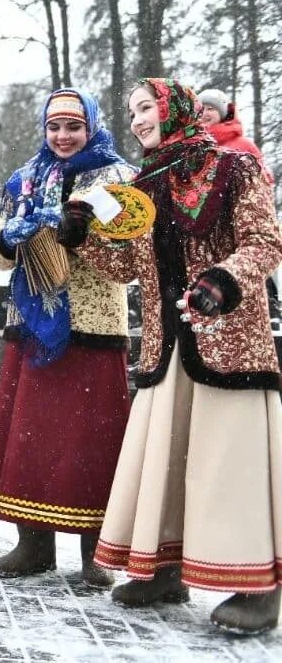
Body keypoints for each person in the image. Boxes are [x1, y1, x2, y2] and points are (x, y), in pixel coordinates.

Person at [74, 78, 282, 635]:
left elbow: (265, 242)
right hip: (167, 345)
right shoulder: (144, 185)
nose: (138, 119)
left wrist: (221, 282)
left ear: (176, 110)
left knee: (228, 462)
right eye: (133, 111)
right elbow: (128, 271)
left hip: (229, 339)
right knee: (166, 464)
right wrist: (84, 237)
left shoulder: (235, 168)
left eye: (146, 108)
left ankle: (259, 587)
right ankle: (164, 571)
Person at [0, 88, 135, 587]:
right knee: (33, 436)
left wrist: (81, 235)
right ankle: (33, 541)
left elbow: (130, 262)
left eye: (74, 127)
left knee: (91, 440)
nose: (63, 137)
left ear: (92, 126)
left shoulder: (117, 179)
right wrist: (9, 238)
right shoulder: (26, 178)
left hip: (92, 326)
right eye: (54, 127)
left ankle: (95, 549)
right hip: (32, 323)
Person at [197, 89, 271, 181]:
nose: (204, 114)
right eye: (201, 109)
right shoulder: (188, 144)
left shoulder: (243, 144)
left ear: (222, 114)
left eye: (210, 109)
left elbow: (264, 180)